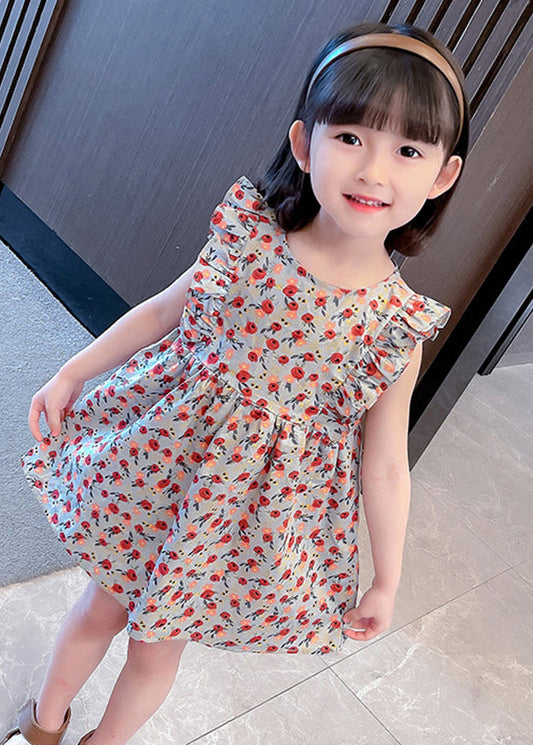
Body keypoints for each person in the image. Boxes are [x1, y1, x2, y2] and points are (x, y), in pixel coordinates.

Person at [4, 19, 469, 745]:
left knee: (155, 650)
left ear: (442, 175)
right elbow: (165, 309)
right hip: (157, 465)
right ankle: (42, 724)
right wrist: (74, 369)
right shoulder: (248, 233)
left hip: (234, 517)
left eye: (407, 150)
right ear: (303, 143)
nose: (374, 171)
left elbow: (384, 464)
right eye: (350, 137)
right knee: (101, 606)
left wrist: (387, 575)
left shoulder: (392, 328)